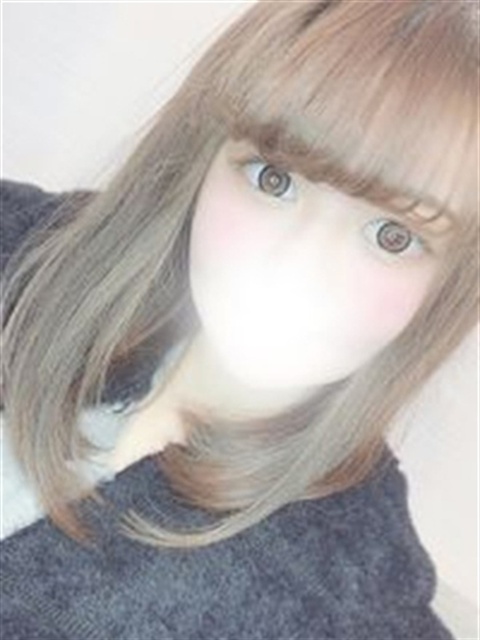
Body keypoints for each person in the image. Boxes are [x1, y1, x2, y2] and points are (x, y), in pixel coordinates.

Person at [1, 0, 478, 637]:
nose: (298, 262)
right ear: (203, 155)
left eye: (393, 237)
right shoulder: (24, 249)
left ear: (451, 284)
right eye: (273, 179)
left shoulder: (354, 598)